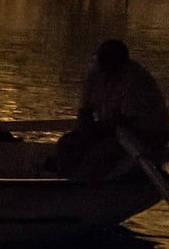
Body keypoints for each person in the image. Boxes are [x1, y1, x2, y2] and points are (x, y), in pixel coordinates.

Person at [53, 40, 169, 178]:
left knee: (102, 152)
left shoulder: (136, 80)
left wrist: (93, 133)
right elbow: (85, 110)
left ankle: (84, 182)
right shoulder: (94, 76)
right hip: (110, 129)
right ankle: (65, 177)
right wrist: (85, 131)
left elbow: (125, 121)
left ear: (119, 62)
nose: (101, 65)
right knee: (67, 143)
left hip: (142, 135)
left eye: (106, 61)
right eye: (100, 60)